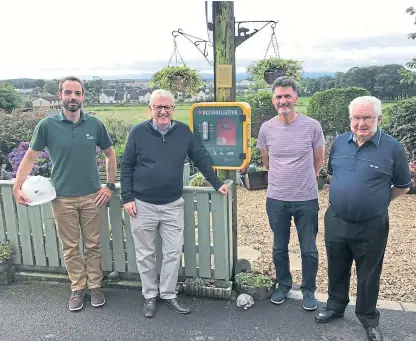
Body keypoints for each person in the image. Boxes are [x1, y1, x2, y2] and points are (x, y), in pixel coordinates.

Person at [120, 89, 229, 318]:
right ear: (150, 109)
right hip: (142, 205)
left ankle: (168, 294)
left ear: (173, 109)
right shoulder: (138, 132)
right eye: (158, 107)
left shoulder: (182, 132)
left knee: (172, 252)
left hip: (172, 204)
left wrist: (216, 182)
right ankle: (150, 295)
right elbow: (127, 166)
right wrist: (127, 198)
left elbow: (199, 157)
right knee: (145, 254)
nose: (163, 111)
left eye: (167, 107)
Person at [13, 76, 117, 312]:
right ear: (60, 95)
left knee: (93, 245)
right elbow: (30, 158)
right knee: (70, 247)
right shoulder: (47, 126)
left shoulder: (94, 124)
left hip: (92, 196)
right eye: (68, 93)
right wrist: (17, 187)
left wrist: (109, 185)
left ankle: (95, 286)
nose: (73, 97)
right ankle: (77, 288)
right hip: (62, 198)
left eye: (77, 93)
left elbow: (111, 155)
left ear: (83, 97)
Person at [314, 96, 411, 341]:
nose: (361, 123)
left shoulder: (392, 148)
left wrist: (377, 201)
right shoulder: (339, 143)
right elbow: (334, 176)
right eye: (356, 117)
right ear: (350, 119)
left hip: (372, 224)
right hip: (336, 219)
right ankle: (335, 306)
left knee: (368, 273)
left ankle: (368, 317)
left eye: (366, 117)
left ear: (378, 118)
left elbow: (402, 186)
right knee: (336, 266)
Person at [256, 76, 325, 311]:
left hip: (306, 198)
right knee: (279, 247)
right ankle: (284, 284)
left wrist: (304, 179)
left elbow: (319, 160)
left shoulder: (312, 126)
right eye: (279, 96)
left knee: (309, 249)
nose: (283, 100)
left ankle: (308, 290)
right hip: (276, 199)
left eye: (287, 96)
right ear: (273, 100)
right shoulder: (266, 128)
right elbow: (267, 161)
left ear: (296, 98)